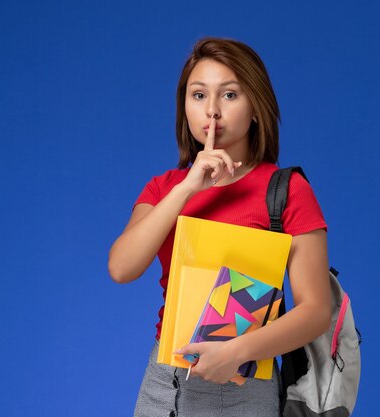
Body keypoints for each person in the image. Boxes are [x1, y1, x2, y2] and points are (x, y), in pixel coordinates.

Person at [108, 37, 331, 417]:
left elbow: (316, 310)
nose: (211, 111)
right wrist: (187, 189)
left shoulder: (287, 190)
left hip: (242, 381)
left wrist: (237, 352)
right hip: (164, 381)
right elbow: (121, 268)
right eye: (198, 95)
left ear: (256, 108)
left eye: (229, 95)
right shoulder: (164, 188)